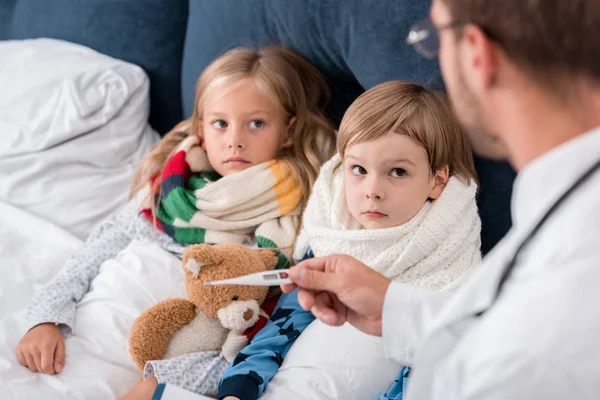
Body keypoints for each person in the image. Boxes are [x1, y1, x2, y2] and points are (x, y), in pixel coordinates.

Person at [282, 0, 600, 399]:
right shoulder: (567, 205)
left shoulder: (550, 309)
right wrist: (393, 309)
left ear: (475, 53)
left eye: (432, 40)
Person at [15, 46, 336, 398]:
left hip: (157, 369)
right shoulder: (168, 193)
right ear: (201, 128)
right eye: (221, 124)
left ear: (288, 131)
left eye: (256, 123)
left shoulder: (295, 222)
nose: (235, 140)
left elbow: (255, 336)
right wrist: (45, 319)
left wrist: (159, 383)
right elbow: (89, 257)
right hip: (90, 330)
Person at [218, 80, 481, 400]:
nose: (372, 190)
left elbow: (425, 376)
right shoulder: (331, 242)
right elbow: (281, 329)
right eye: (358, 169)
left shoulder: (450, 275)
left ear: (436, 181)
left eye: (397, 172)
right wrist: (238, 389)